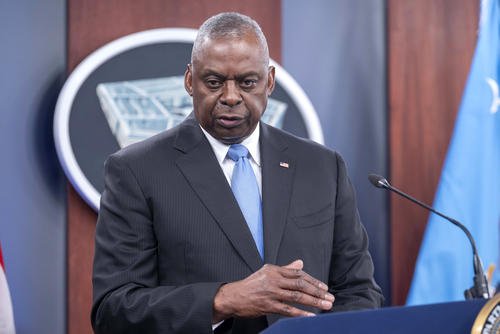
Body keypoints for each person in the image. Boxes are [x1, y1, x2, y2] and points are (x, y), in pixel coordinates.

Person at [91, 12, 383, 334]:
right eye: (214, 82)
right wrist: (222, 299)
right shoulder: (136, 170)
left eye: (247, 82)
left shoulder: (322, 167)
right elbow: (114, 310)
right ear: (190, 81)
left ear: (269, 81)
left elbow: (359, 292)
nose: (230, 97)